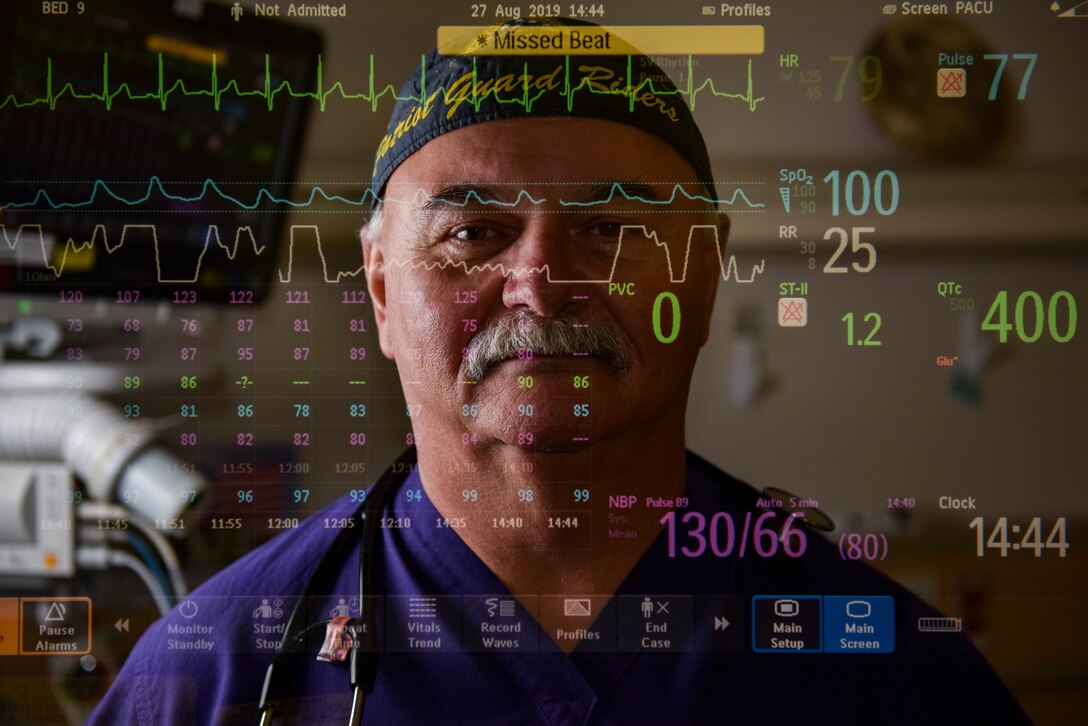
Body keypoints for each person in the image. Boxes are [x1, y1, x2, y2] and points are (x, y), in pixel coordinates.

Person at [88, 19, 1027, 725]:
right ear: (380, 291)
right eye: (473, 233)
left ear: (704, 275)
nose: (540, 285)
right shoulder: (210, 671)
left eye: (610, 228)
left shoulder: (889, 669)